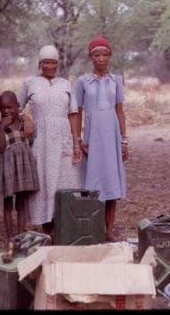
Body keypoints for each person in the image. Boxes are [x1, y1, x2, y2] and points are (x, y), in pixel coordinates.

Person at [17, 45, 82, 235]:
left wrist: (76, 142)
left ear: (58, 64)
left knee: (65, 182)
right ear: (39, 63)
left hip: (62, 139)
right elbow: (14, 107)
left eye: (53, 62)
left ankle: (66, 227)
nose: (50, 66)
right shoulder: (30, 83)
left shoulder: (65, 84)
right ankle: (47, 229)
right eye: (46, 62)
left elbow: (73, 113)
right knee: (44, 182)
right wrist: (25, 117)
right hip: (40, 141)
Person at [74, 36, 128, 242]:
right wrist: (78, 140)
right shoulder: (82, 82)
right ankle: (91, 228)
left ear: (110, 55)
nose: (101, 58)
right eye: (97, 55)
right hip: (92, 139)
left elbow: (120, 111)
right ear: (90, 57)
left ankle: (108, 230)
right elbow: (77, 112)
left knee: (112, 183)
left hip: (112, 138)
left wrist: (124, 140)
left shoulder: (116, 81)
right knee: (92, 184)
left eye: (105, 54)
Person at [0, 91, 39, 241]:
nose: (6, 111)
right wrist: (1, 128)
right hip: (8, 168)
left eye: (10, 107)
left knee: (22, 203)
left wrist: (27, 119)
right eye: (3, 108)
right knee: (8, 204)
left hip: (23, 167)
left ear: (18, 106)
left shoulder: (23, 123)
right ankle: (10, 238)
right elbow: (0, 149)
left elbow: (31, 140)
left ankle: (21, 235)